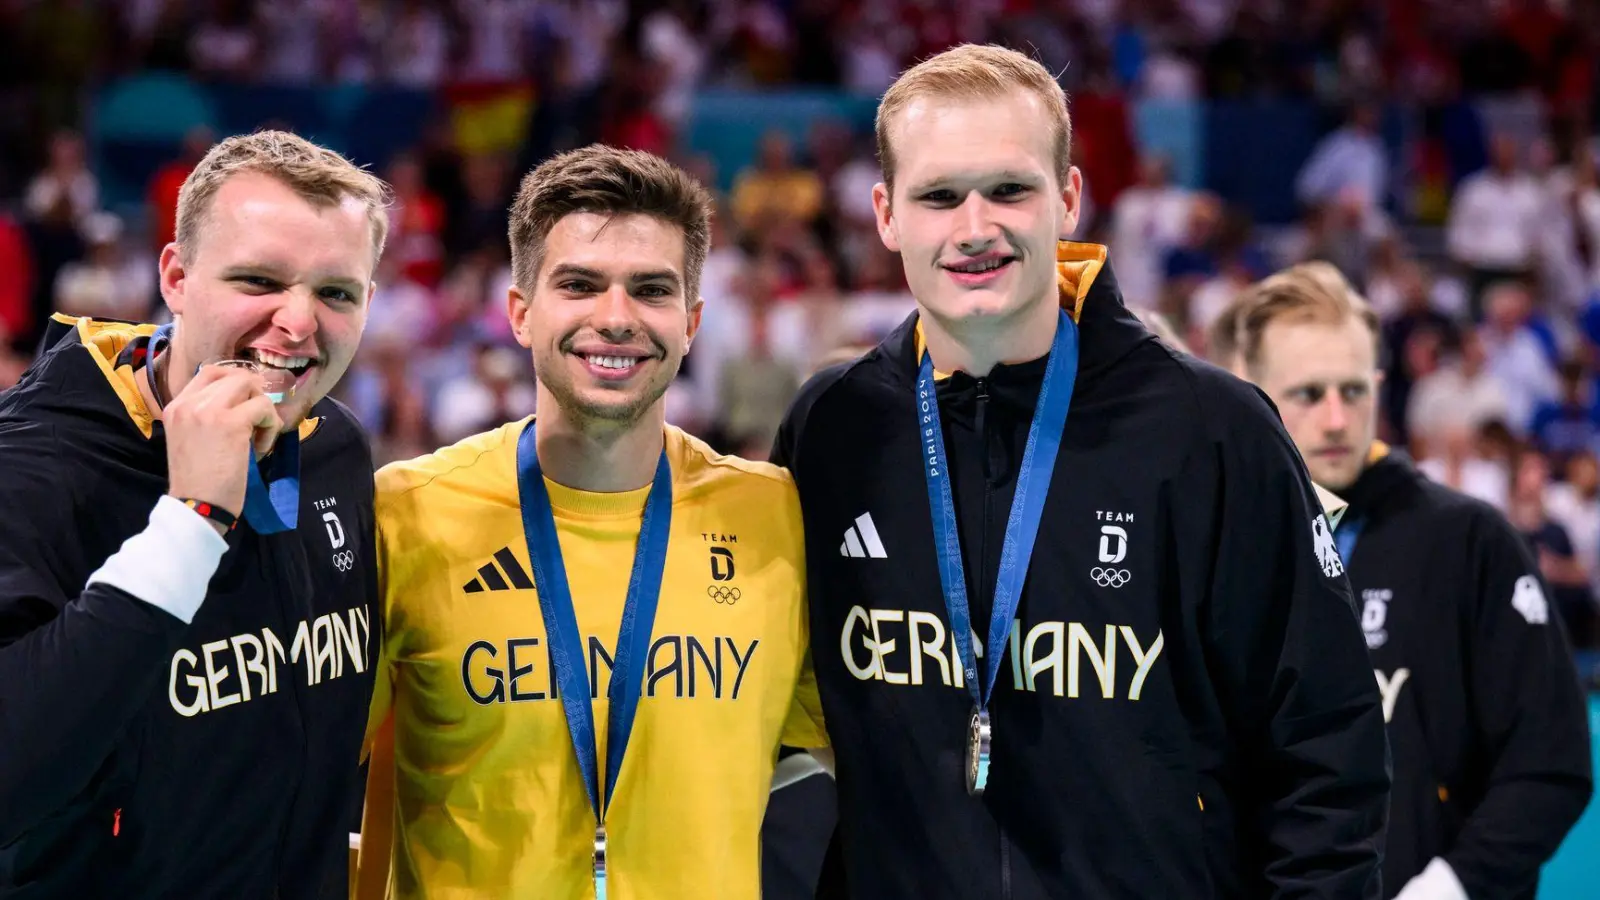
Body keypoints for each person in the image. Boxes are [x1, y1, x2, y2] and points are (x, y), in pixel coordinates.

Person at [769, 43, 1391, 898]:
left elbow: (1326, 749)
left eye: (1010, 190)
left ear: (1066, 198)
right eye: (940, 196)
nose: (975, 227)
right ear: (885, 214)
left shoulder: (1211, 431)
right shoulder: (833, 428)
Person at [354, 145, 828, 899]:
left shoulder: (776, 519)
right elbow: (290, 774)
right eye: (579, 284)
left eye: (650, 289)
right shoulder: (405, 515)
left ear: (692, 321)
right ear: (519, 313)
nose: (615, 318)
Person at [0, 130, 390, 897]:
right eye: (259, 280)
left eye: (336, 292)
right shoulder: (29, 473)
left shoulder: (334, 445)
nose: (299, 322)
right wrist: (193, 518)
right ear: (175, 276)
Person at [1226, 263, 1593, 900]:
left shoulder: (1469, 543)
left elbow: (1548, 765)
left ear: (1379, 385)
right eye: (1308, 395)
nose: (1337, 419)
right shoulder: (1219, 539)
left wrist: (1449, 887)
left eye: (1354, 390)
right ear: (1250, 392)